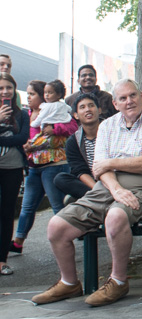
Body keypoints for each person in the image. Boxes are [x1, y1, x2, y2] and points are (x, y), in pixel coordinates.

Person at [31, 79, 142, 307]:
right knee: (56, 226)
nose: (129, 101)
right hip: (109, 187)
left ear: (140, 96)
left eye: (132, 95)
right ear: (115, 103)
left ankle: (118, 281)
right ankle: (69, 283)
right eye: (123, 98)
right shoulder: (108, 125)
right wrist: (117, 188)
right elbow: (100, 169)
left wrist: (112, 163)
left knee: (116, 215)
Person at [10, 80, 78, 254]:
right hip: (33, 167)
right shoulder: (26, 115)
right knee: (27, 206)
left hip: (54, 165)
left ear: (44, 95)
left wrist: (54, 128)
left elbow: (72, 127)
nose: (29, 97)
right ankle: (18, 241)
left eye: (33, 94)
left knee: (57, 205)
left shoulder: (57, 111)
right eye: (28, 94)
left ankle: (66, 239)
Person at [0, 73, 30, 275]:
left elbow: (22, 138)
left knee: (7, 213)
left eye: (9, 88)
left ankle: (2, 260)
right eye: (1, 88)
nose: (5, 92)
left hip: (13, 168)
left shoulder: (21, 114)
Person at [53, 91, 101, 202]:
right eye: (82, 107)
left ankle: (90, 199)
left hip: (114, 177)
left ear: (99, 110)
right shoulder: (73, 141)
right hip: (91, 183)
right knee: (60, 179)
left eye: (91, 105)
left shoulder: (112, 131)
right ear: (76, 115)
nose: (87, 110)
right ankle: (99, 196)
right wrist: (97, 189)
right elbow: (80, 171)